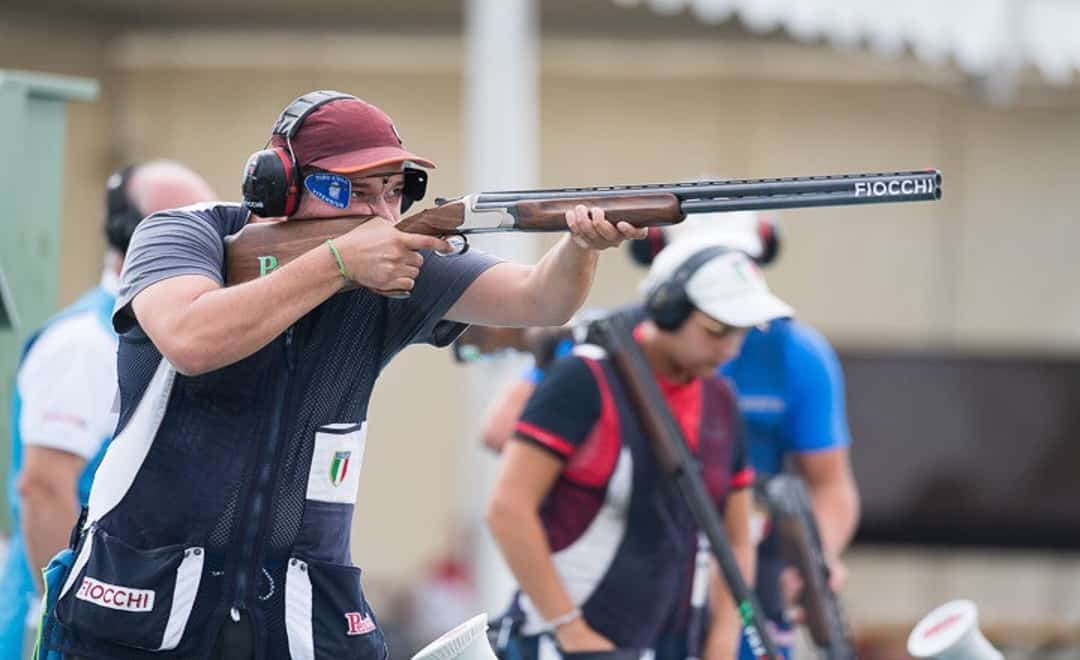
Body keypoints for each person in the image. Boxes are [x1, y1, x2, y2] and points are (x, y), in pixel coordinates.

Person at [38, 90, 645, 660]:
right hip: (137, 611)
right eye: (355, 190)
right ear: (278, 186)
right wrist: (336, 264)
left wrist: (579, 245)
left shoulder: (394, 262)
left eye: (396, 190)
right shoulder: (184, 233)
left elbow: (538, 301)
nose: (381, 211)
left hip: (301, 617)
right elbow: (192, 340)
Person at [486, 238, 796, 659]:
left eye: (741, 331)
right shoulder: (585, 378)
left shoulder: (721, 402)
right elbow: (508, 509)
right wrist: (569, 629)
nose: (729, 348)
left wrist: (722, 640)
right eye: (716, 330)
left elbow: (736, 537)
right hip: (568, 648)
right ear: (667, 310)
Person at [0, 161, 216, 659]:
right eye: (181, 224)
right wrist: (67, 620)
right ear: (133, 237)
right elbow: (44, 488)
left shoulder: (157, 333)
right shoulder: (84, 343)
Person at [630, 215, 860, 660]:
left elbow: (830, 482)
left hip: (753, 565)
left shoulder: (798, 352)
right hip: (641, 562)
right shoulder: (615, 348)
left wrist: (815, 559)